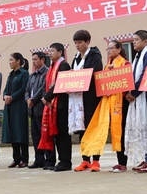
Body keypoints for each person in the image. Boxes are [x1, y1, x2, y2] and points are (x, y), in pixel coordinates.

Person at [80, 40, 130, 172]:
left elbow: (127, 81)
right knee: (104, 128)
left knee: (120, 130)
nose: (108, 51)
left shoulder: (125, 63)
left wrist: (116, 72)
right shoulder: (107, 66)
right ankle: (118, 161)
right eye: (107, 49)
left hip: (121, 102)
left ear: (119, 49)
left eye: (111, 48)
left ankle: (123, 162)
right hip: (107, 101)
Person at [124, 30, 147, 173]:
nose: (134, 42)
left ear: (145, 41)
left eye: (136, 40)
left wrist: (134, 93)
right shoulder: (139, 55)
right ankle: (146, 158)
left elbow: (146, 75)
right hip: (139, 99)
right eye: (133, 40)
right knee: (143, 128)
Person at [68, 31, 104, 172]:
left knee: (93, 128)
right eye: (75, 42)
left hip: (91, 98)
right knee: (81, 129)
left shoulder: (95, 57)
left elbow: (94, 75)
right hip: (78, 100)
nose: (77, 45)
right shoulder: (76, 58)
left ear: (87, 42)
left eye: (80, 42)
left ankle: (95, 160)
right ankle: (85, 159)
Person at [41, 43, 72, 171]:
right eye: (49, 51)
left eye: (52, 51)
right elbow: (47, 84)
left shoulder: (63, 65)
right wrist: (46, 96)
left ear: (60, 52)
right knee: (56, 134)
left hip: (61, 104)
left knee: (63, 135)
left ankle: (66, 162)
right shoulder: (51, 67)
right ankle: (61, 161)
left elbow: (60, 83)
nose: (50, 53)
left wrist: (47, 97)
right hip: (52, 104)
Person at [2, 53, 31, 168]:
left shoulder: (24, 74)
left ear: (18, 61)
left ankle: (24, 159)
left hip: (19, 105)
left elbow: (24, 88)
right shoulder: (10, 75)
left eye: (11, 60)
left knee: (21, 132)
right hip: (9, 106)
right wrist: (5, 96)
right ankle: (16, 158)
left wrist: (12, 97)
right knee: (12, 131)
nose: (9, 62)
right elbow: (5, 90)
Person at [27, 52, 53, 169]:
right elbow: (27, 89)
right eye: (32, 59)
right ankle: (39, 160)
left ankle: (49, 160)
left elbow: (43, 88)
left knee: (46, 135)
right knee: (36, 136)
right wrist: (27, 99)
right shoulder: (32, 75)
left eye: (35, 59)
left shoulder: (47, 73)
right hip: (33, 109)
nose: (33, 62)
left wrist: (33, 99)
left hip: (42, 108)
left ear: (43, 60)